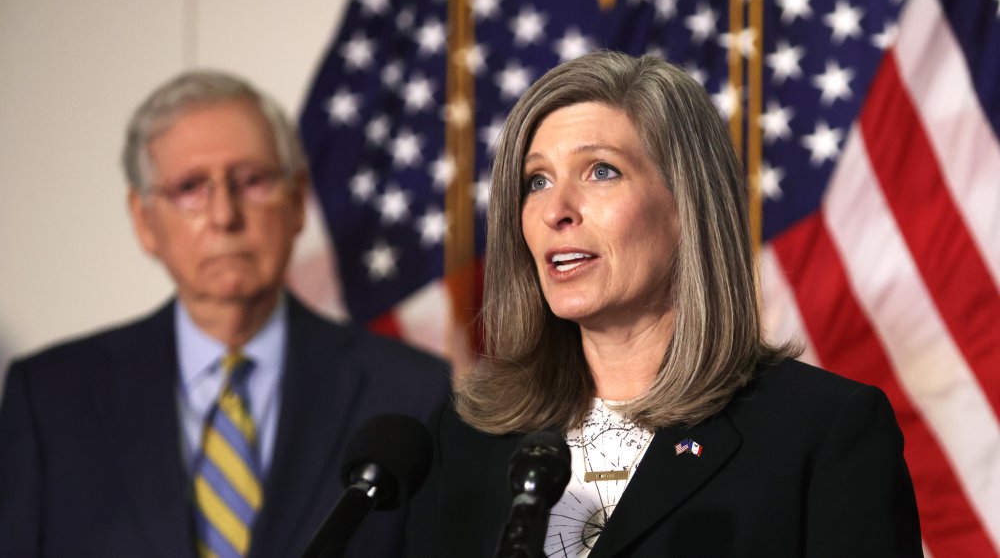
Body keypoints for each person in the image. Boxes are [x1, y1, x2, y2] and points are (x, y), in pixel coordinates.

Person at [407, 52, 922, 557]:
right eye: (536, 181)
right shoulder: (464, 438)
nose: (555, 211)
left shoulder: (821, 431)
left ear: (687, 206)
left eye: (601, 171)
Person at [0, 71, 450, 558]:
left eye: (252, 181)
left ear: (297, 201)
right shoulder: (50, 397)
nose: (224, 216)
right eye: (191, 187)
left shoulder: (411, 393)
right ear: (143, 220)